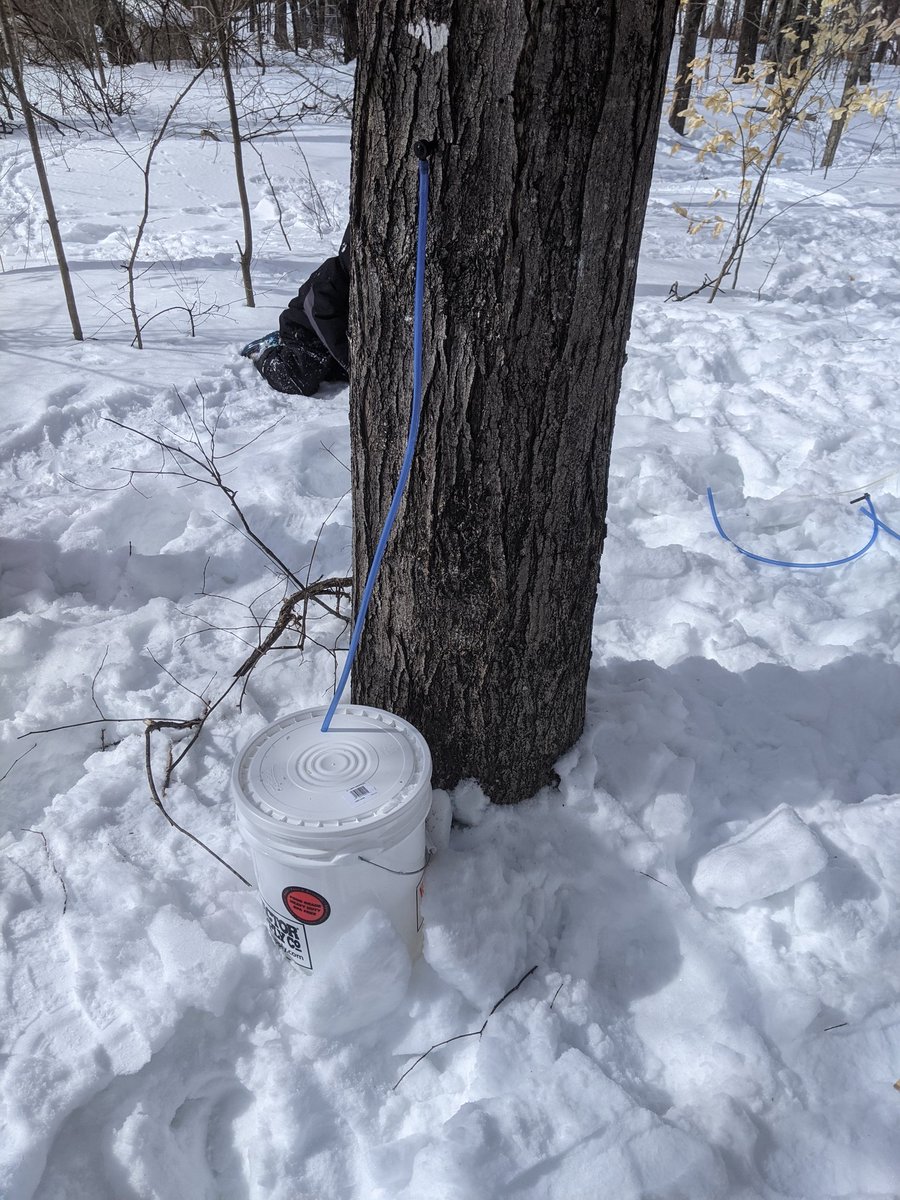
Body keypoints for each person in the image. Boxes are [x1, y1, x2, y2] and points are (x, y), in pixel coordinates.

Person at [241, 225, 350, 396]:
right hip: (305, 330)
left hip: (338, 342)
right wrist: (353, 362)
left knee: (337, 373)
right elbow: (325, 321)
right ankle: (263, 351)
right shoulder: (330, 281)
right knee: (301, 378)